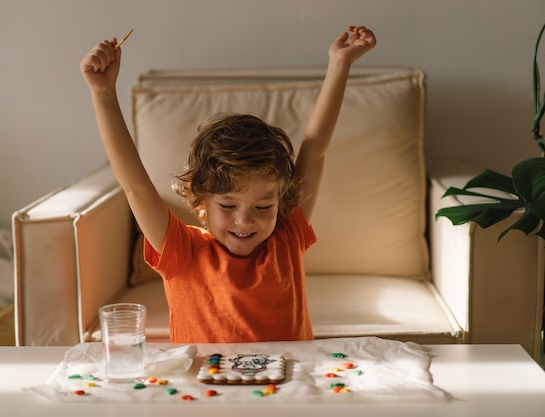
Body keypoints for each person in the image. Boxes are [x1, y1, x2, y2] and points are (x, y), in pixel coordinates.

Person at [80, 26, 376, 343]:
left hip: (288, 389)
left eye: (263, 207)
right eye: (228, 205)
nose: (245, 221)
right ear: (199, 199)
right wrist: (103, 93)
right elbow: (135, 185)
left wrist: (340, 64)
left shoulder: (286, 238)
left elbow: (314, 150)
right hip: (207, 390)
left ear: (280, 201)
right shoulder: (182, 253)